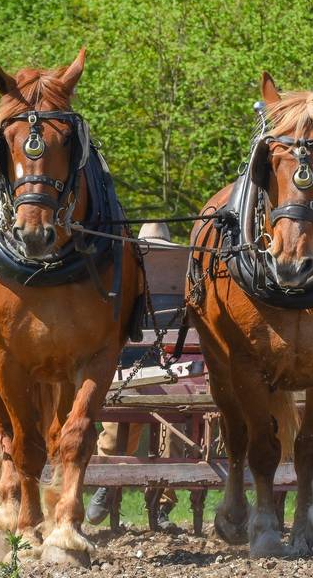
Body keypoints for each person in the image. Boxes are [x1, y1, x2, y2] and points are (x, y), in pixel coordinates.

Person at [86, 222, 183, 530]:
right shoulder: (121, 279)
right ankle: (108, 483)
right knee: (117, 425)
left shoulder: (180, 284)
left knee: (175, 427)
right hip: (121, 368)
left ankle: (162, 505)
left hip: (165, 371)